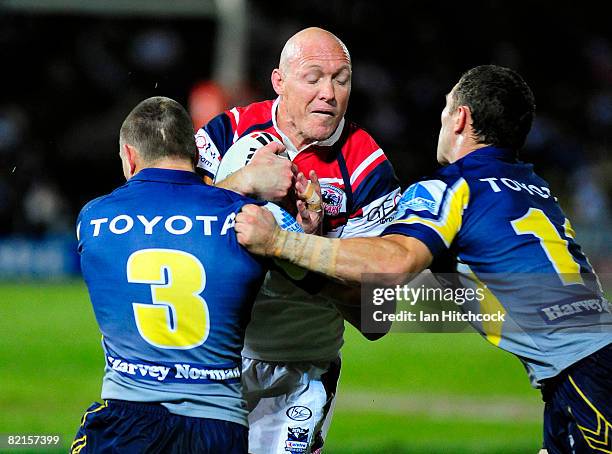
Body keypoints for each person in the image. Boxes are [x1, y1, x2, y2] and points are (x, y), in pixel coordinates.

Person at [236, 65, 612, 454]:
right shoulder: (535, 188)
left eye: (447, 107)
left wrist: (281, 243)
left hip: (586, 378)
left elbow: (391, 264)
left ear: (461, 118)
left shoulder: (452, 188)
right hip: (583, 367)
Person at [194, 27, 400, 453]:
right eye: (313, 78)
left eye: (341, 79)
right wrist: (241, 183)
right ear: (279, 81)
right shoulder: (225, 132)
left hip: (301, 369)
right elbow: (179, 230)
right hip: (212, 360)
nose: (328, 93)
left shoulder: (368, 165)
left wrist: (306, 251)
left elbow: (376, 318)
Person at [71, 96, 266, 453]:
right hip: (219, 426)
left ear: (129, 157)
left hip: (125, 420)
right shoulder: (247, 219)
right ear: (194, 154)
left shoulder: (93, 218)